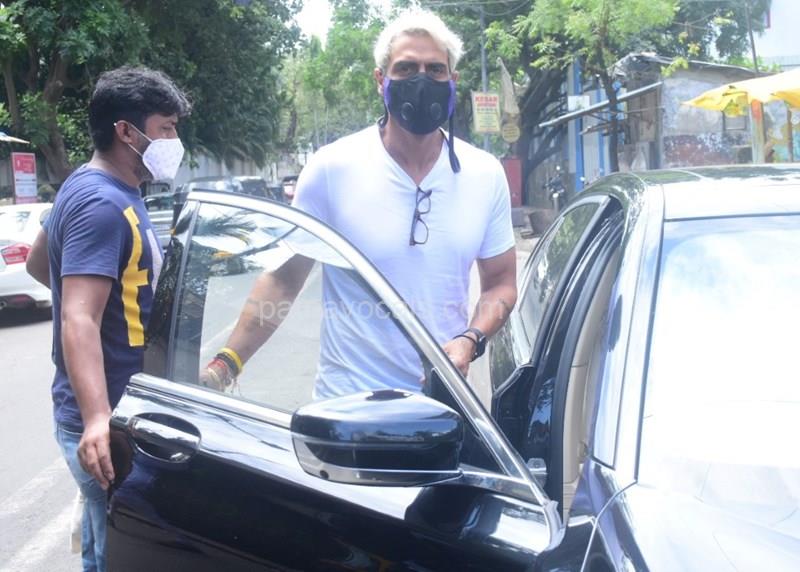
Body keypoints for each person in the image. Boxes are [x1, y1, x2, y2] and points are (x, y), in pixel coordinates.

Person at [203, 10, 516, 399]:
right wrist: (225, 364)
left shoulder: (484, 173)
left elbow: (501, 283)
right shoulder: (332, 168)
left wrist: (470, 340)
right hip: (347, 409)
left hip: (444, 406)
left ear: (452, 81)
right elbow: (284, 280)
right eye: (406, 69)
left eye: (435, 70)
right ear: (380, 80)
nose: (421, 80)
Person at [26, 66, 190, 572]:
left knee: (104, 540)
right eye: (166, 128)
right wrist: (99, 419)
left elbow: (38, 263)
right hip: (109, 417)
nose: (174, 141)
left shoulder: (88, 184)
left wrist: (96, 299)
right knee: (116, 553)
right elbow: (78, 317)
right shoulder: (101, 202)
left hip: (115, 408)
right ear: (126, 131)